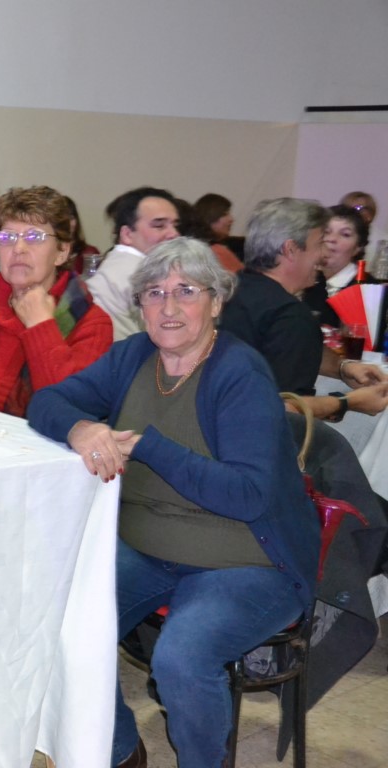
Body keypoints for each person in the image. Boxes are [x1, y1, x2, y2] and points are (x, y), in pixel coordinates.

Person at [27, 237, 320, 768]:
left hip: (247, 559)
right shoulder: (133, 356)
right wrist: (81, 428)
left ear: (216, 302)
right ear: (140, 306)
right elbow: (46, 400)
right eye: (155, 292)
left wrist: (150, 446)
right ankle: (121, 752)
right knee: (54, 622)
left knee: (182, 658)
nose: (169, 306)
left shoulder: (239, 373)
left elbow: (249, 496)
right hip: (148, 548)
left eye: (187, 290)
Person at [0, 185, 112, 416]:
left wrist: (41, 326)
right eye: (7, 237)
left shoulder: (93, 324)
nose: (18, 248)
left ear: (62, 252)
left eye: (34, 237)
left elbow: (70, 411)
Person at [219, 198, 388, 421]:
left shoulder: (230, 290)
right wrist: (348, 402)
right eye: (319, 244)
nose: (324, 255)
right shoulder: (290, 316)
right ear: (291, 249)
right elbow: (283, 412)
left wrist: (342, 367)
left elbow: (275, 348)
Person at [88, 187, 180, 341]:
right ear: (127, 234)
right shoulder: (143, 274)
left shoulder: (117, 264)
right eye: (159, 226)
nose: (174, 234)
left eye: (175, 225)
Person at [303, 205, 372, 328]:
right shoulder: (307, 280)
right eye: (326, 232)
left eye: (345, 234)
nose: (331, 239)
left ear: (358, 247)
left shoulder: (367, 288)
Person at [64, 195, 101, 275]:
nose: (68, 224)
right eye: (63, 219)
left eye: (71, 218)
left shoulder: (89, 253)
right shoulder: (48, 253)